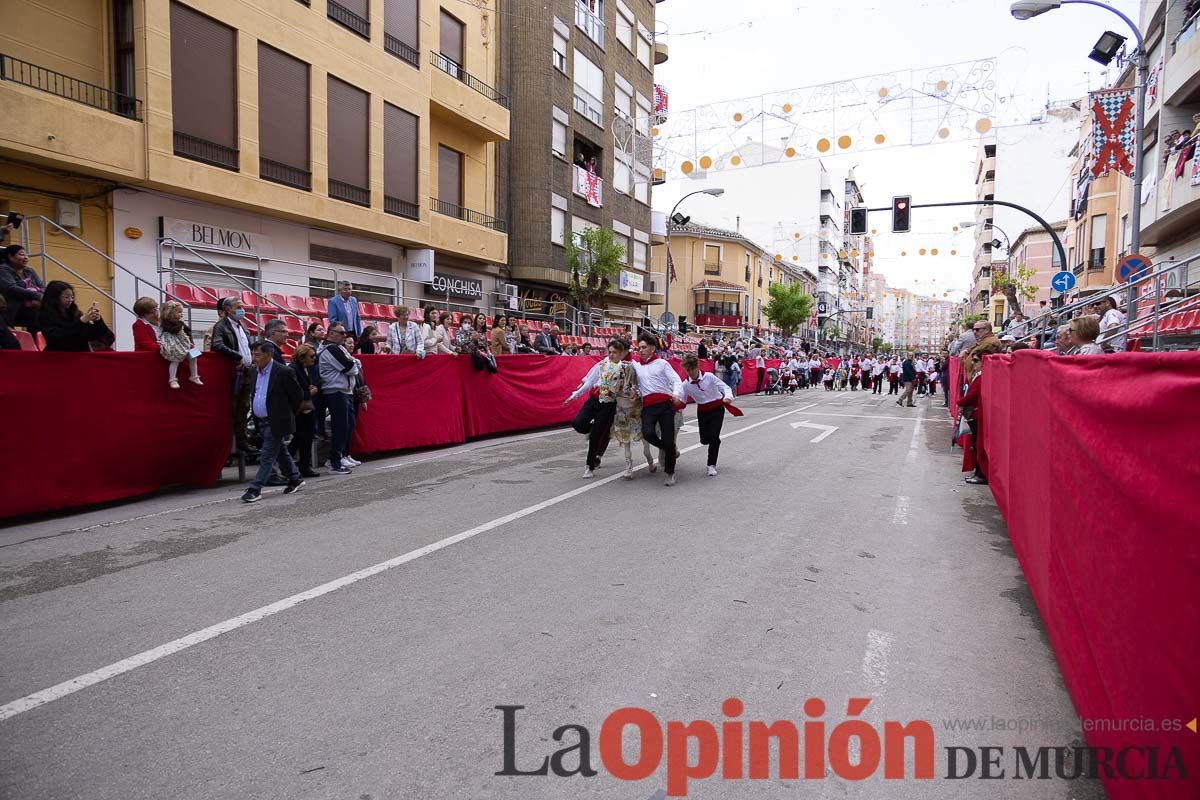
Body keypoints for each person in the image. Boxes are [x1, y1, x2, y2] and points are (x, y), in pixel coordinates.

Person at [565, 338, 643, 477]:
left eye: (614, 352)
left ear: (621, 353)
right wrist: (574, 395)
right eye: (610, 352)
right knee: (578, 423)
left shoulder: (627, 367)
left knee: (596, 436)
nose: (611, 354)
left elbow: (635, 382)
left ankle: (589, 466)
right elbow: (589, 381)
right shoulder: (602, 364)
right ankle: (591, 429)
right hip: (594, 400)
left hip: (609, 404)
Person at [241, 342, 305, 503]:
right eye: (253, 354)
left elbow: (297, 396)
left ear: (268, 355)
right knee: (280, 450)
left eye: (258, 355)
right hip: (261, 420)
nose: (254, 358)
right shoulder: (253, 371)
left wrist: (285, 413)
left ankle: (255, 488)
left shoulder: (283, 371)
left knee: (267, 455)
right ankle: (295, 478)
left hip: (276, 420)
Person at [632, 331, 684, 486]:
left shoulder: (662, 364)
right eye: (639, 347)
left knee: (668, 437)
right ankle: (669, 448)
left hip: (665, 405)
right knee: (647, 433)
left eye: (644, 347)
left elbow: (676, 380)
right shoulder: (636, 364)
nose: (640, 350)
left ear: (653, 348)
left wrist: (675, 394)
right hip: (648, 406)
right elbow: (620, 357)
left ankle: (670, 473)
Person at [677, 352, 741, 477]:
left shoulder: (709, 377)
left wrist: (728, 397)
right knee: (704, 439)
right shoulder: (685, 385)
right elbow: (682, 401)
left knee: (714, 437)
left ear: (697, 366)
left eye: (692, 369)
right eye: (687, 370)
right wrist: (674, 403)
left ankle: (711, 465)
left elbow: (725, 388)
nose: (690, 372)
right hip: (702, 411)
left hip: (717, 409)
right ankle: (709, 442)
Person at [210, 296, 255, 455]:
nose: (242, 309)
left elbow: (247, 346)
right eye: (238, 306)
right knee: (233, 407)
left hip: (246, 372)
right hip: (233, 372)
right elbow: (216, 344)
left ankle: (242, 440)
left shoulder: (243, 325)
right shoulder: (221, 326)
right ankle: (231, 441)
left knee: (244, 407)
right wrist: (236, 355)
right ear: (228, 309)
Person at [318, 323, 360, 474]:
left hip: (344, 390)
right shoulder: (330, 349)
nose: (344, 336)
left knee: (348, 425)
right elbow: (350, 367)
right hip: (335, 391)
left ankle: (339, 457)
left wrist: (353, 364)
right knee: (341, 426)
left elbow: (354, 364)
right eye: (341, 333)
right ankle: (334, 462)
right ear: (331, 333)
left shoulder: (338, 348)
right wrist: (353, 364)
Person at [37, 281, 114, 351]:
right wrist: (81, 322)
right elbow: (58, 337)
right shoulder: (45, 314)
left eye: (72, 297)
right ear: (54, 297)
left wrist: (98, 321)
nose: (70, 300)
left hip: (80, 355)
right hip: (58, 356)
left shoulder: (74, 313)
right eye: (66, 297)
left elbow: (93, 335)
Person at [289, 343, 321, 478]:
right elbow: (294, 391)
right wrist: (309, 393)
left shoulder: (310, 369)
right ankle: (286, 462)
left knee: (308, 437)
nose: (314, 359)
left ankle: (304, 466)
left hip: (309, 408)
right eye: (311, 356)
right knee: (299, 436)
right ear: (302, 357)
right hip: (298, 408)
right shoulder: (293, 369)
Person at [157, 300, 202, 388]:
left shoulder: (181, 322)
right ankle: (172, 379)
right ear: (170, 313)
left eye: (182, 312)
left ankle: (194, 375)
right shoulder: (167, 323)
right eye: (179, 312)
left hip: (185, 342)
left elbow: (188, 333)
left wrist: (192, 343)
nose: (181, 314)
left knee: (194, 357)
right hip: (174, 344)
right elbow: (174, 330)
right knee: (176, 360)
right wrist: (180, 323)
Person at [0, 245, 44, 332]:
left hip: (31, 306)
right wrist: (37, 296)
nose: (26, 257)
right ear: (10, 257)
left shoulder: (30, 271)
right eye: (22, 254)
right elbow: (11, 288)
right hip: (12, 307)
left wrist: (44, 296)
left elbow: (42, 286)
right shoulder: (3, 270)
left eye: (26, 255)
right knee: (37, 315)